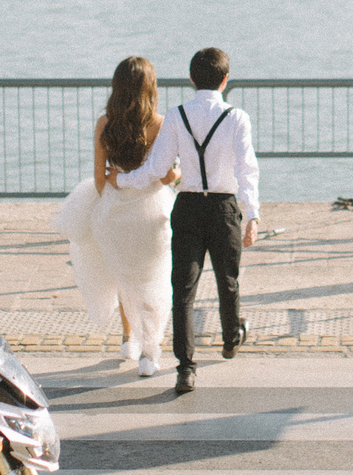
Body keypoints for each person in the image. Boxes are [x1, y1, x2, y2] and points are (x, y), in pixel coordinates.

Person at [115, 46, 259, 394]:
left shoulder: (177, 115)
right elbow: (247, 170)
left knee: (183, 289)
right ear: (226, 80)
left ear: (192, 79)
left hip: (189, 207)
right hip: (224, 208)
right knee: (228, 280)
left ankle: (186, 369)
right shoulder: (237, 118)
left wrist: (121, 180)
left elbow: (156, 169)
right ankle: (230, 341)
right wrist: (252, 215)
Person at [51, 57, 177, 375]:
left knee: (124, 277)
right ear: (151, 88)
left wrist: (118, 186)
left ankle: (127, 339)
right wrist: (178, 173)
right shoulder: (161, 124)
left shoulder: (105, 123)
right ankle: (149, 352)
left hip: (114, 214)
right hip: (152, 213)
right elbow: (165, 177)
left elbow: (99, 179)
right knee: (153, 280)